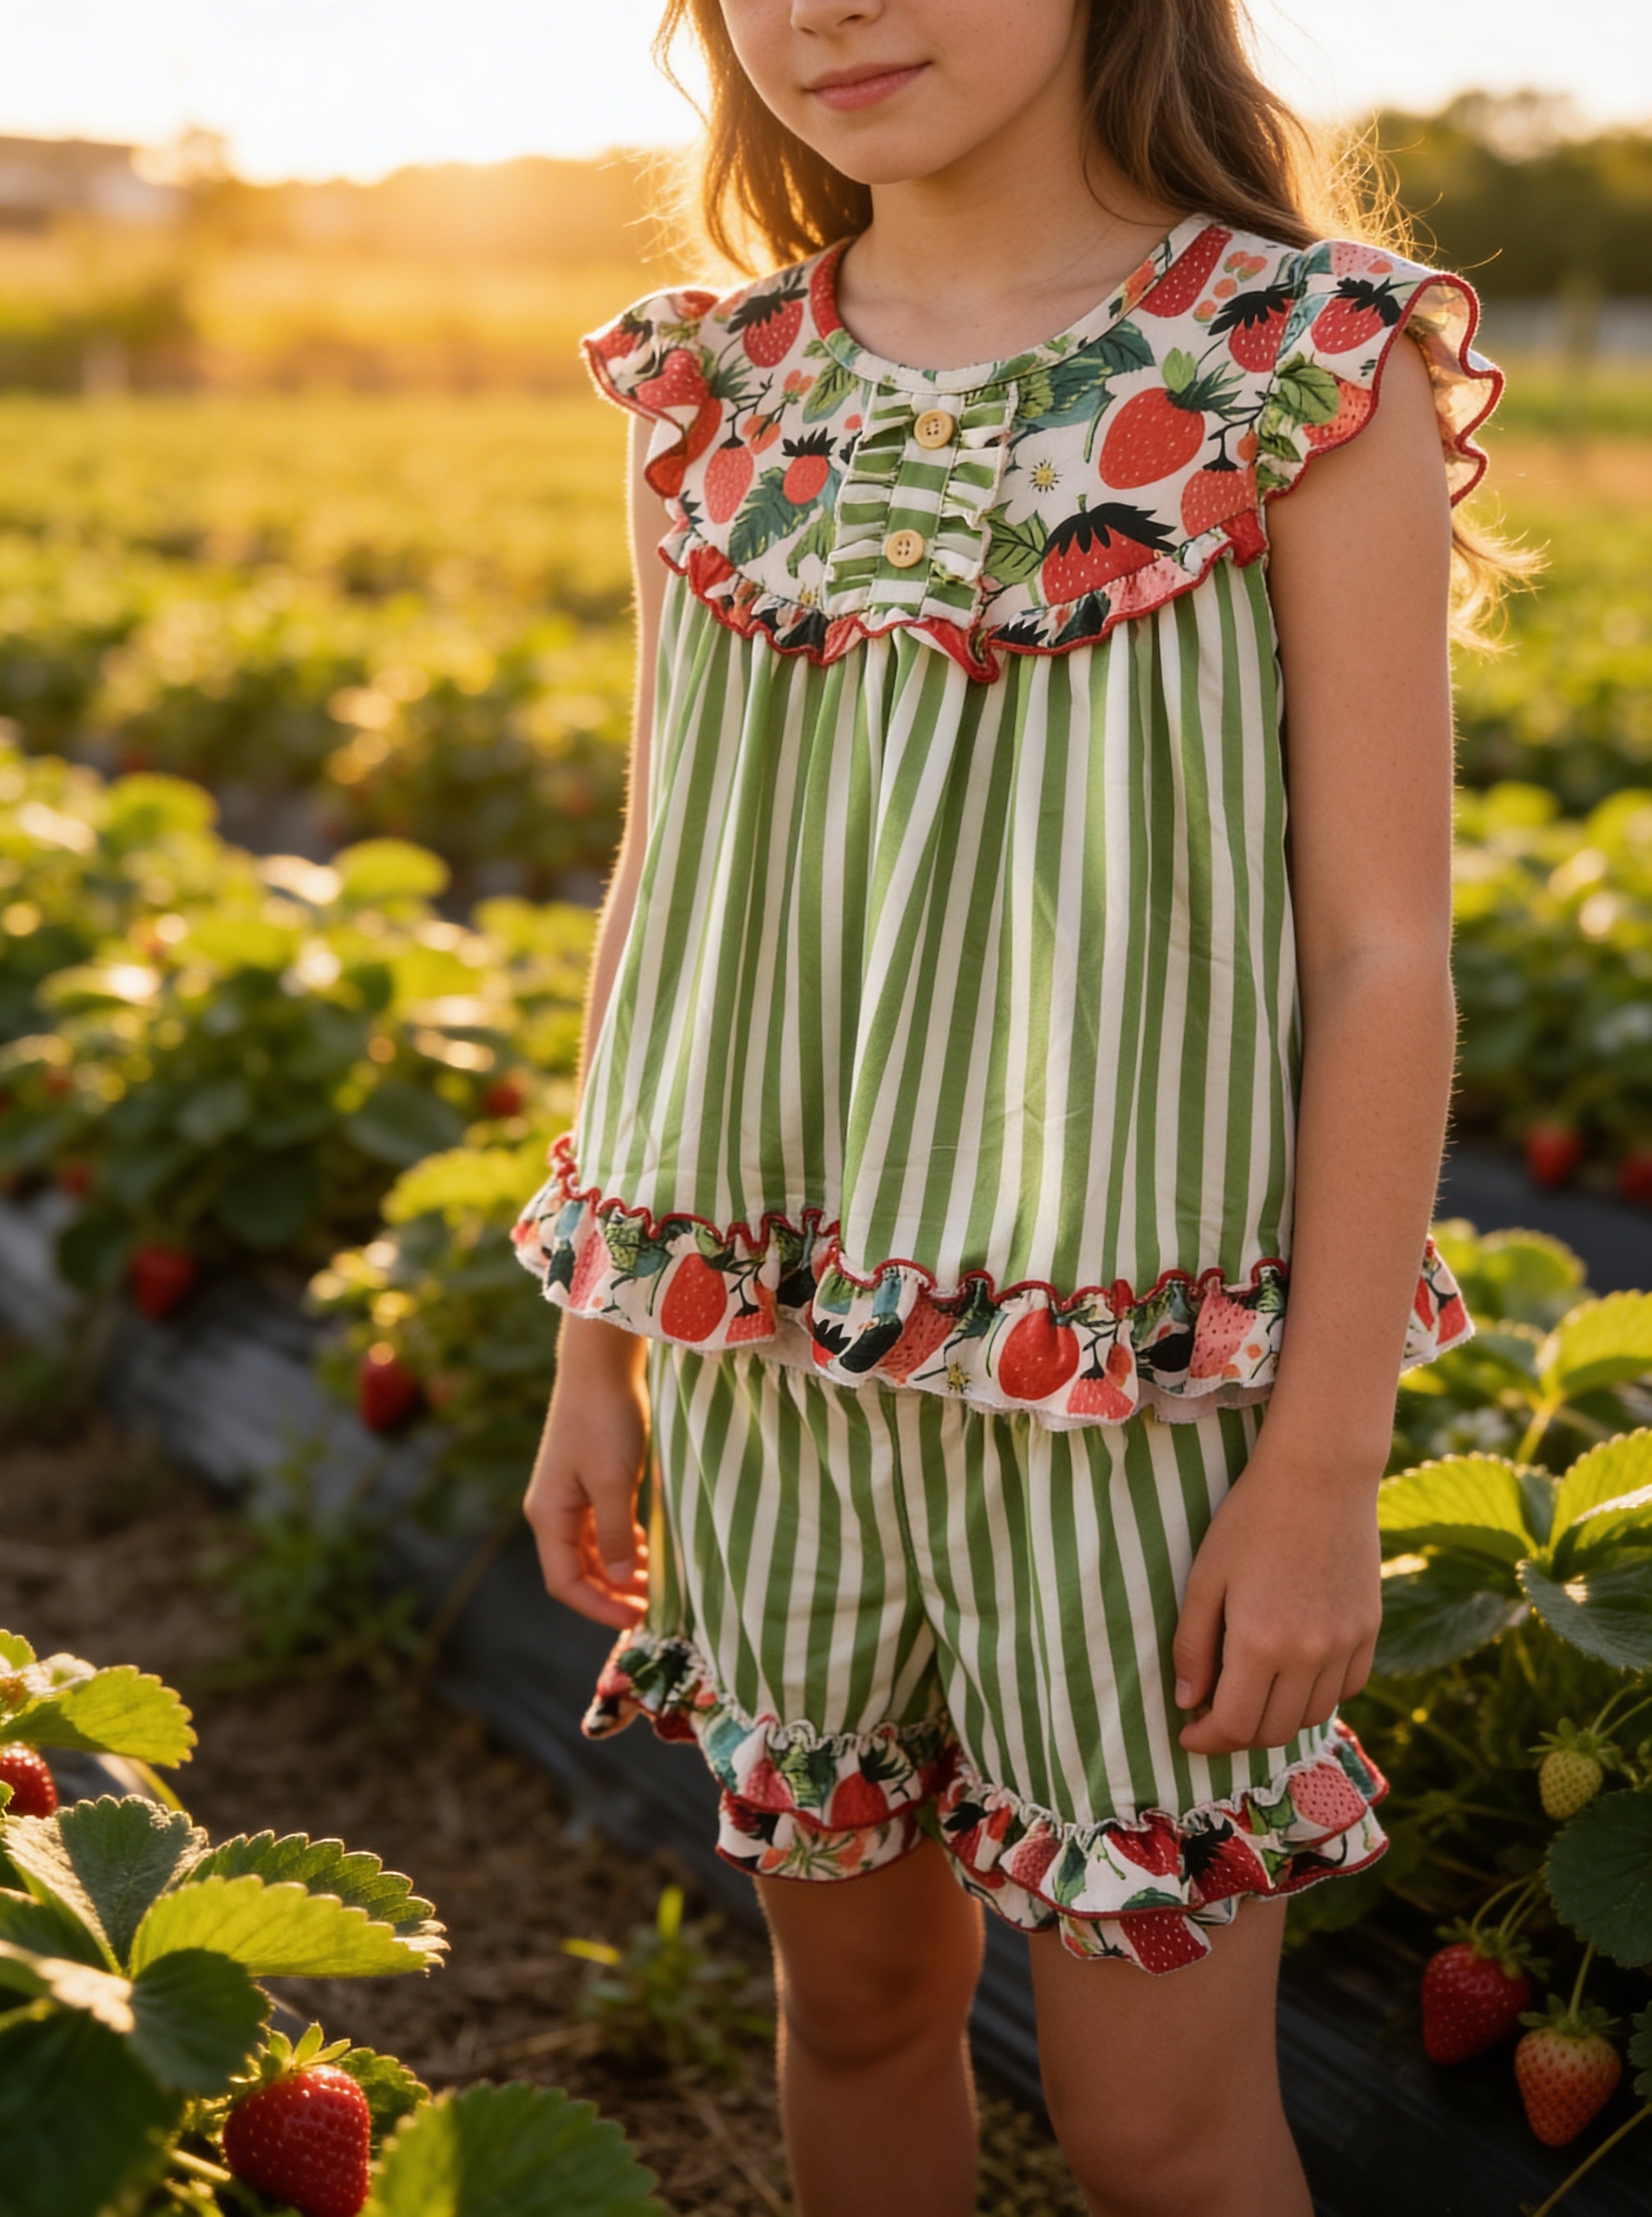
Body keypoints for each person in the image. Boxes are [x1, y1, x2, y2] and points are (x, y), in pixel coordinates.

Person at [516, 4, 1507, 2210]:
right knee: (857, 2009)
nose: (828, 10)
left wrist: (1323, 1467)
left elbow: (1382, 956)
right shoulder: (716, 390)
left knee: (1158, 2131)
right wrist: (597, 1345)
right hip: (768, 1364)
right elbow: (676, 877)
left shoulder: (1295, 360)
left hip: (1131, 1401)